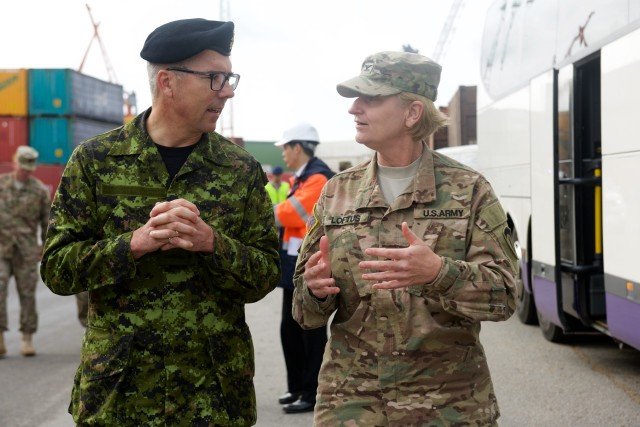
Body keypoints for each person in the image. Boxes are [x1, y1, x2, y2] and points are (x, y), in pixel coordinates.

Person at [40, 18, 280, 426]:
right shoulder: (96, 161)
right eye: (215, 78)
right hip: (120, 394)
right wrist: (132, 244)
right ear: (168, 81)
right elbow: (57, 270)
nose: (228, 91)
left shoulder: (240, 169)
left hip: (214, 395)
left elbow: (265, 276)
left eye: (230, 77)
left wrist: (211, 243)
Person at [292, 51, 519, 425]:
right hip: (353, 405)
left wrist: (438, 274)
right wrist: (315, 290)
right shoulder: (337, 194)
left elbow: (506, 297)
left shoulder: (469, 190)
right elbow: (304, 314)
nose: (354, 109)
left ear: (412, 113)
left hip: (447, 405)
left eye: (371, 98)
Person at [273, 122, 333, 414]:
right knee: (290, 329)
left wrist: (263, 213)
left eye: (285, 147)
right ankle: (297, 387)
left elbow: (289, 214)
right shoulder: (302, 177)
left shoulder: (317, 177)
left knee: (309, 331)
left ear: (297, 147)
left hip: (311, 265)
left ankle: (311, 392)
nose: (283, 154)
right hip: (294, 263)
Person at [0, 146, 50, 358]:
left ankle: (27, 338)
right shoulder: (1, 185)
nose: (25, 172)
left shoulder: (40, 191)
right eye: (22, 167)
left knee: (27, 294)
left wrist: (46, 248)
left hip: (27, 250)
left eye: (29, 168)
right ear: (15, 163)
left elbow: (47, 223)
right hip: (2, 248)